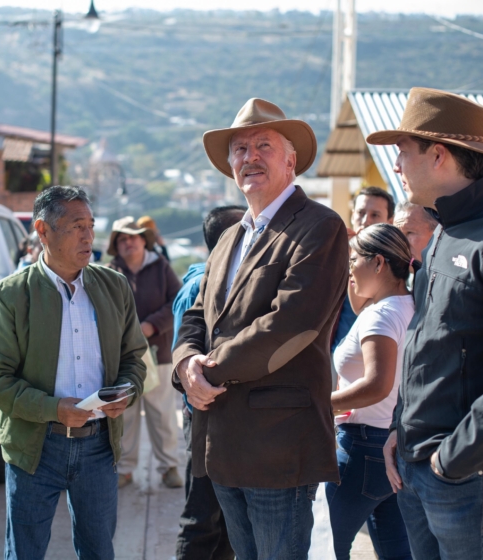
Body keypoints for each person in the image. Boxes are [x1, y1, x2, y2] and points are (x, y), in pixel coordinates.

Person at [369, 87, 483, 559]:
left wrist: (453, 459)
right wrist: (401, 429)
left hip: (470, 476)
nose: (396, 166)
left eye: (402, 152)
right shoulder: (445, 233)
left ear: (438, 156)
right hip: (421, 465)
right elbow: (424, 347)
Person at [173, 98, 349, 559]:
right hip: (222, 439)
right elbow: (196, 315)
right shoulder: (231, 236)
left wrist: (207, 372)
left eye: (263, 146)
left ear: (291, 160)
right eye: (240, 149)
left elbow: (291, 323)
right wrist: (186, 362)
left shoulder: (320, 227)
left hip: (278, 446)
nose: (249, 157)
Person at [0, 186, 147, 560]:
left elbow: (135, 357)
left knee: (99, 551)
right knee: (24, 553)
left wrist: (126, 391)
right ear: (42, 230)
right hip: (35, 447)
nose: (88, 236)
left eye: (90, 225)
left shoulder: (113, 286)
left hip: (99, 446)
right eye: (76, 226)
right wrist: (54, 409)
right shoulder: (9, 295)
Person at [326, 224, 414, 560]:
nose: (349, 268)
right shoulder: (407, 306)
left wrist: (320, 404)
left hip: (362, 448)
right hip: (392, 446)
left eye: (353, 260)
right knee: (395, 550)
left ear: (378, 263)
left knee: (328, 546)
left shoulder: (381, 316)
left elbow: (378, 384)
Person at [173, 205, 245, 560]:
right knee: (201, 521)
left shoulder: (221, 280)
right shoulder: (200, 287)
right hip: (203, 417)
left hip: (221, 418)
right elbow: (185, 352)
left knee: (224, 523)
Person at [108, 216, 183, 489]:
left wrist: (152, 325)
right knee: (125, 412)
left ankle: (169, 467)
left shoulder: (161, 267)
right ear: (116, 244)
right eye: (122, 238)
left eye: (133, 237)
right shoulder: (109, 271)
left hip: (158, 352)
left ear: (144, 240)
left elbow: (178, 301)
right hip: (122, 355)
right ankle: (124, 469)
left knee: (161, 413)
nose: (128, 242)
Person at [332, 187, 395, 352]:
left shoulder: (393, 260)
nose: (366, 220)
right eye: (360, 213)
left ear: (390, 221)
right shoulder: (335, 248)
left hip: (370, 354)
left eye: (375, 215)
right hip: (330, 352)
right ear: (352, 215)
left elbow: (362, 307)